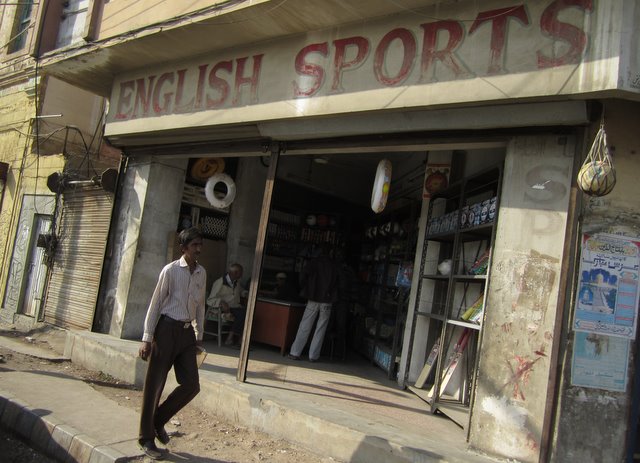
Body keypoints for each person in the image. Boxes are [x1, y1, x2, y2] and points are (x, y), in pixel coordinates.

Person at [137, 227, 206, 460]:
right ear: (183, 248)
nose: (198, 249)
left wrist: (199, 333)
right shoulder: (171, 270)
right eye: (194, 245)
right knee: (155, 384)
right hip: (166, 330)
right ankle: (146, 438)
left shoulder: (202, 273)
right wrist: (147, 338)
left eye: (200, 245)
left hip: (187, 334)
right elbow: (156, 303)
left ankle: (156, 421)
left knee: (191, 385)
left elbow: (200, 305)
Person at [288, 244, 339, 362]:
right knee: (321, 327)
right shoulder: (334, 265)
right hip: (328, 299)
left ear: (319, 252)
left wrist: (306, 288)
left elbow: (303, 275)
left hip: (313, 297)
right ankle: (313, 356)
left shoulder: (313, 263)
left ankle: (295, 352)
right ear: (331, 252)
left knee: (305, 325)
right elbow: (339, 282)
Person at [207, 263, 245, 347]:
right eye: (240, 273)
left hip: (234, 307)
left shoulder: (236, 282)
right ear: (235, 273)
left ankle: (237, 339)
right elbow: (210, 300)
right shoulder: (220, 282)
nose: (242, 275)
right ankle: (230, 338)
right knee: (242, 315)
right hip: (222, 309)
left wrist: (246, 293)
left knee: (246, 314)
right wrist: (221, 302)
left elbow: (240, 291)